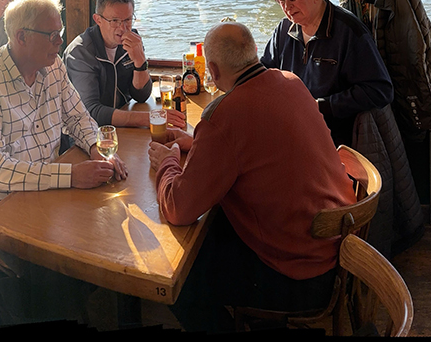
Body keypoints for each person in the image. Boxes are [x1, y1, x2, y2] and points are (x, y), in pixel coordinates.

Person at [151, 22, 355, 332]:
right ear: (254, 53)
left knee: (176, 278)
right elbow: (260, 144)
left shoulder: (223, 116)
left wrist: (167, 163)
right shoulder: (291, 82)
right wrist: (201, 144)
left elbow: (179, 209)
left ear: (214, 71)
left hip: (295, 276)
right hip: (333, 251)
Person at [0, 0, 122, 323]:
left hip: (42, 194)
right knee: (59, 266)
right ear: (21, 37)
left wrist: (95, 148)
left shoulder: (52, 66)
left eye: (60, 33)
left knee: (106, 233)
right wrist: (71, 176)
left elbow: (78, 116)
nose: (60, 43)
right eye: (53, 36)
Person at [261, 0, 393, 146]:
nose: (287, 7)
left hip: (335, 141)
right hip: (290, 130)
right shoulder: (283, 30)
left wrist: (321, 106)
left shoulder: (350, 32)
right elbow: (264, 74)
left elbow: (380, 90)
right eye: (281, 0)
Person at [63, 0, 183, 129]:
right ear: (98, 20)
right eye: (114, 20)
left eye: (128, 19)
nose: (123, 28)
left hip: (121, 126)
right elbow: (90, 112)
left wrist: (140, 62)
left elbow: (141, 95)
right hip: (87, 134)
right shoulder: (80, 53)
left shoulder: (132, 40)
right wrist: (149, 118)